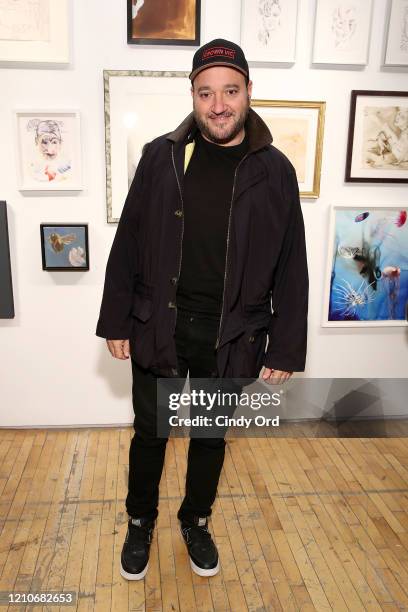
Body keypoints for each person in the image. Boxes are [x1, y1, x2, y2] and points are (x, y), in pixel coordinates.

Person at [96, 38, 309, 580]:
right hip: (159, 325)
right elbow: (129, 242)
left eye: (230, 91)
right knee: (152, 433)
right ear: (192, 95)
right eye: (207, 92)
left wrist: (286, 345)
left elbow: (292, 265)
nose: (219, 105)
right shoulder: (160, 156)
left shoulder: (276, 171)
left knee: (210, 437)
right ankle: (140, 521)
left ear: (248, 93)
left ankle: (196, 520)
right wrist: (117, 319)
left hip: (231, 334)